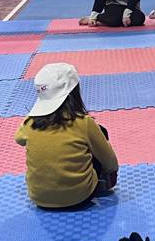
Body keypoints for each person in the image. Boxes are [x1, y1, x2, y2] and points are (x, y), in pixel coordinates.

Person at [15, 63, 119, 209]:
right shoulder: (83, 122)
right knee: (100, 132)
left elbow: (19, 139)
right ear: (74, 93)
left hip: (39, 198)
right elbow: (109, 160)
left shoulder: (29, 123)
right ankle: (98, 183)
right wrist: (111, 172)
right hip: (80, 197)